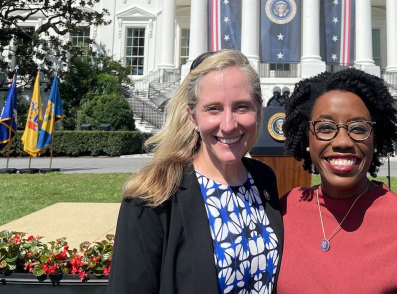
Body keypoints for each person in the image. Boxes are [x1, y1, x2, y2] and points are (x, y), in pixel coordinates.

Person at [108, 50, 283, 294]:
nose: (229, 124)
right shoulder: (154, 195)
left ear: (258, 111)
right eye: (213, 109)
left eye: (242, 107)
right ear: (193, 117)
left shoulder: (263, 178)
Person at [277, 69, 397, 293]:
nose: (342, 141)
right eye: (325, 128)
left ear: (376, 141)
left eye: (359, 129)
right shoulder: (287, 209)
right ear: (307, 139)